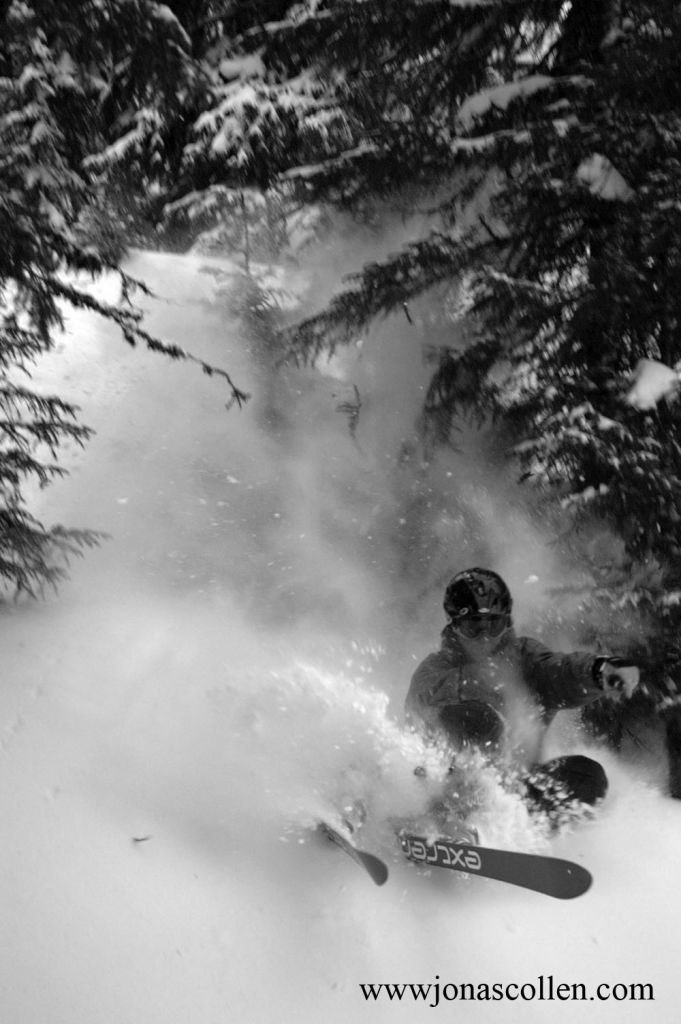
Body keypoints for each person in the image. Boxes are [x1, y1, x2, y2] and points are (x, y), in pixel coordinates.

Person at [406, 567, 640, 827]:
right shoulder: (435, 669)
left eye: (493, 625)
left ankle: (519, 834)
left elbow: (559, 673)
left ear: (506, 623)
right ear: (455, 626)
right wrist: (475, 681)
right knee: (481, 720)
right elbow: (421, 709)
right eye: (473, 627)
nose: (485, 637)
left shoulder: (525, 659)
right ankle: (449, 820)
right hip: (448, 785)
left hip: (513, 794)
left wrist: (598, 671)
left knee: (587, 776)